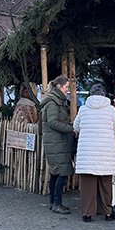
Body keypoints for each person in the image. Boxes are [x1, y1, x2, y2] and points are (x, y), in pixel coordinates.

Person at [73, 83, 115, 222]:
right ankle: (107, 212)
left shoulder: (83, 109)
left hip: (87, 153)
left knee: (88, 184)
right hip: (105, 153)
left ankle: (87, 214)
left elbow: (76, 127)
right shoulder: (111, 110)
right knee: (105, 184)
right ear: (104, 95)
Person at [40, 75, 74, 215]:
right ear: (59, 87)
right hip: (56, 142)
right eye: (66, 87)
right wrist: (71, 129)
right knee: (62, 173)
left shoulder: (56, 100)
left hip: (57, 142)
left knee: (56, 173)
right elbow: (52, 122)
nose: (67, 90)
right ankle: (57, 204)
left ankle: (53, 202)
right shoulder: (53, 102)